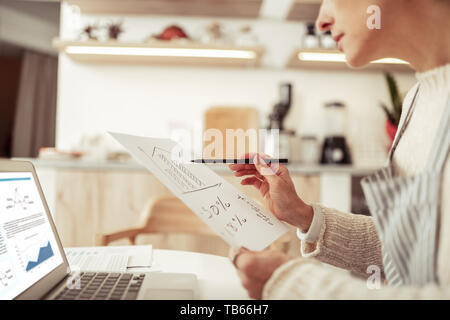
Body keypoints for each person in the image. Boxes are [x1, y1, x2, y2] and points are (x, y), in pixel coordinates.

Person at [229, 0, 450, 299]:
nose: (321, 21)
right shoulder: (419, 99)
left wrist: (289, 283)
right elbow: (406, 249)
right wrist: (303, 215)